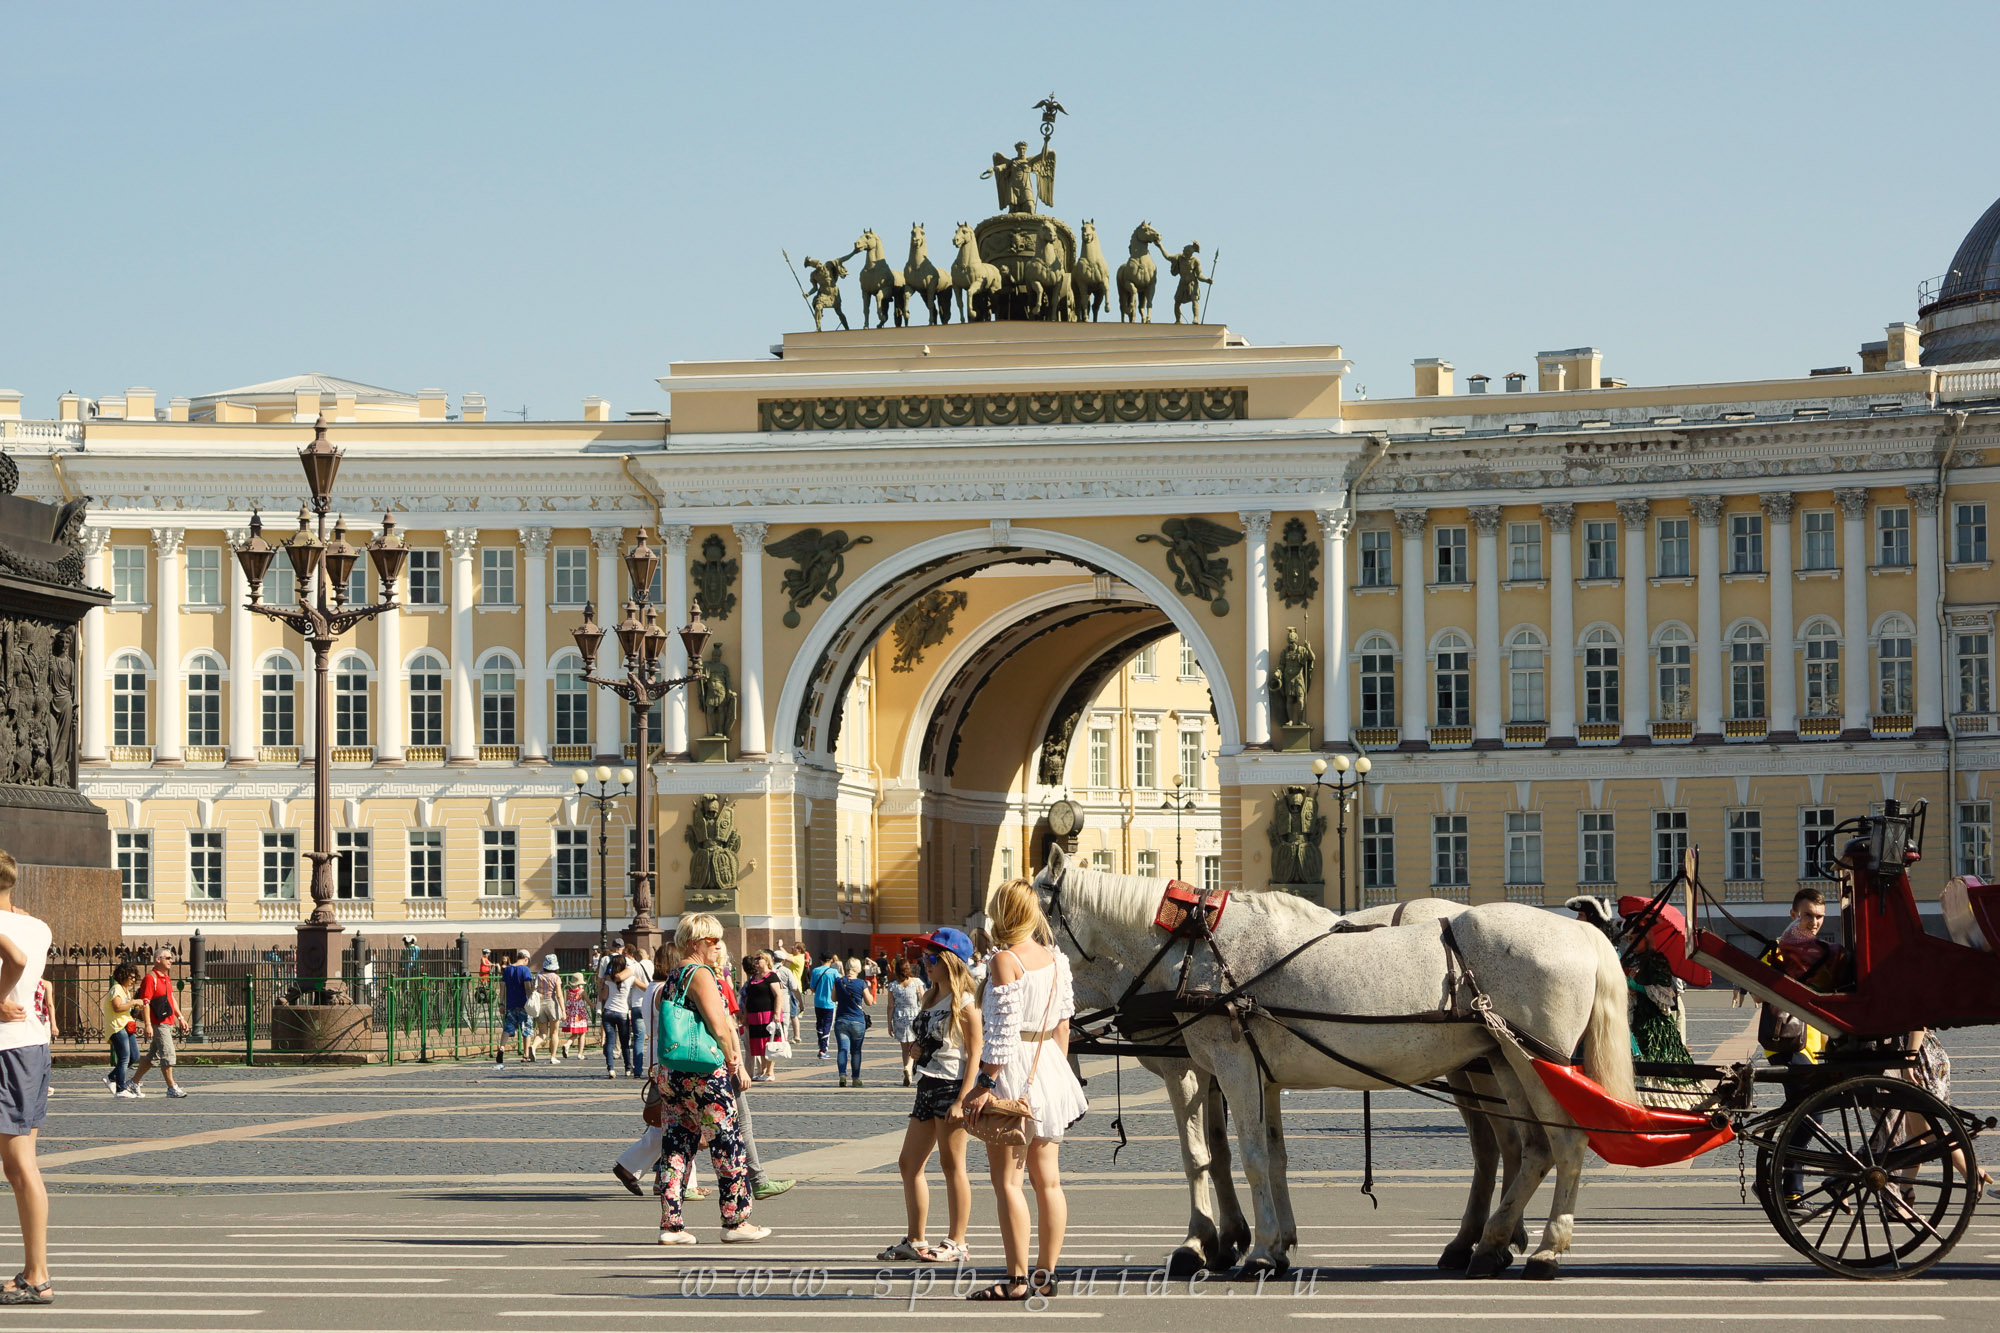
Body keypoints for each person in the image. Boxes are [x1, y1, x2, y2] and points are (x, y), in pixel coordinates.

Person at [959, 879, 1087, 1302]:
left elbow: (1001, 1034)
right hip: (1049, 1060)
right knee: (1048, 1182)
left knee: (1008, 1183)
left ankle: (1016, 1280)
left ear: (1002, 913)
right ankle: (1045, 1275)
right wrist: (1056, 1075)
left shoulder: (1004, 960)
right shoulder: (1056, 958)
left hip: (1014, 1071)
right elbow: (1064, 1023)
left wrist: (983, 1085)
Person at [650, 913, 770, 1245]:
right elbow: (720, 1024)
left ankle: (671, 1226)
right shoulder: (699, 973)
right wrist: (735, 1060)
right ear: (694, 943)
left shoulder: (673, 976)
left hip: (674, 1073)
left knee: (675, 1146)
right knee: (727, 1143)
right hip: (704, 1075)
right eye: (712, 940)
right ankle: (736, 1221)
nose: (719, 946)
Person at [877, 928, 982, 1265]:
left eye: (932, 958)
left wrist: (962, 1100)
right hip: (927, 1084)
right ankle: (915, 1239)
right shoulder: (930, 996)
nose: (926, 963)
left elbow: (975, 1053)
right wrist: (918, 1051)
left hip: (952, 1087)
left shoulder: (966, 1001)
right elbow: (932, 1044)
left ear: (951, 961)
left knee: (952, 1166)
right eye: (924, 957)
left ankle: (958, 1241)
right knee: (909, 1163)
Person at [0, 849, 56, 1306]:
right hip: (33, 1046)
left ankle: (37, 1276)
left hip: (7, 1049)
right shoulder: (39, 926)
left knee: (20, 1168)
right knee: (23, 1166)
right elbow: (36, 977)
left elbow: (15, 963)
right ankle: (33, 1272)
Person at [127, 950, 188, 1098]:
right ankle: (171, 1087)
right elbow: (145, 1003)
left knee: (152, 1057)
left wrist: (180, 1017)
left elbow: (171, 998)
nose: (171, 961)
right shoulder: (150, 978)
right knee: (168, 1053)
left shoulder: (166, 978)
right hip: (158, 1023)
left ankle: (133, 1083)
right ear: (157, 959)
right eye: (167, 958)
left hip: (167, 1021)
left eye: (171, 958)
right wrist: (148, 1024)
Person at [740, 953, 785, 1083]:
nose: (756, 961)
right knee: (758, 1044)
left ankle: (770, 1072)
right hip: (754, 1016)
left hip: (768, 1014)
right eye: (755, 958)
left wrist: (776, 1013)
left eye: (759, 958)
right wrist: (745, 1015)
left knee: (769, 1043)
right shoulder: (753, 978)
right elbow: (747, 998)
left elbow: (778, 995)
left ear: (767, 961)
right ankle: (762, 1071)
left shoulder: (772, 976)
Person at [102, 963, 143, 1098]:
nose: (133, 980)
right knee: (124, 1057)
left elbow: (127, 1010)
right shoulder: (116, 988)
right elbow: (117, 1007)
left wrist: (137, 1008)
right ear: (123, 975)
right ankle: (121, 1089)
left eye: (134, 977)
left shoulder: (125, 990)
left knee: (135, 1056)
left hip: (126, 1025)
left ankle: (112, 1077)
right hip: (117, 1026)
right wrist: (133, 1002)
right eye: (130, 977)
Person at [598, 942, 638, 1081]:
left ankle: (611, 1069)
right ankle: (628, 1068)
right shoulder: (630, 979)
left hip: (609, 1011)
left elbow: (604, 996)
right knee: (624, 1042)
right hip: (622, 1013)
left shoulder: (609, 980)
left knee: (609, 1041)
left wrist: (604, 988)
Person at [886, 955, 925, 1086]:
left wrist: (889, 1024)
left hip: (899, 1017)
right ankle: (909, 1067)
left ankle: (906, 1069)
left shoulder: (892, 986)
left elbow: (890, 1006)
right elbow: (924, 999)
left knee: (904, 1048)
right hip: (915, 1016)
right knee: (915, 1045)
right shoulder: (916, 982)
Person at [494, 949, 534, 1070]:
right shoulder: (525, 970)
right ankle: (526, 1054)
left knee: (508, 1027)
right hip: (524, 1003)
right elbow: (527, 988)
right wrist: (533, 992)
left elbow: (502, 987)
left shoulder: (508, 969)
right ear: (526, 959)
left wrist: (501, 1003)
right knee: (526, 1028)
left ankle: (501, 1047)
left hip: (510, 1003)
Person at [833, 957, 870, 1088]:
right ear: (858, 968)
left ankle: (842, 1076)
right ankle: (855, 1079)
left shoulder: (838, 981)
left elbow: (833, 998)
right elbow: (869, 1002)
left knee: (842, 1049)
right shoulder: (862, 983)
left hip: (841, 1020)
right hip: (858, 1021)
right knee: (856, 1051)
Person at [532, 955, 564, 1062]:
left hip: (540, 1004)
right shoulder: (555, 977)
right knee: (554, 1032)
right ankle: (553, 1056)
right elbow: (559, 995)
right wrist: (563, 1011)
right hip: (552, 1003)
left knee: (542, 1033)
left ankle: (533, 1046)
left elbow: (533, 989)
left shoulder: (538, 975)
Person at [809, 953, 840, 1060]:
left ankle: (820, 1044)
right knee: (827, 1025)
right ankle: (823, 1049)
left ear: (821, 960)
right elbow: (838, 987)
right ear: (831, 960)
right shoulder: (834, 972)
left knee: (820, 1024)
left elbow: (812, 988)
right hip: (830, 1003)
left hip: (818, 1002)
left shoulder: (815, 971)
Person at [561, 973, 591, 1058]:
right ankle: (580, 1053)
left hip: (571, 1015)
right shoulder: (582, 991)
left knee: (574, 1034)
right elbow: (588, 1002)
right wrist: (595, 1005)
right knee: (582, 1034)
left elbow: (567, 1002)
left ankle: (567, 1044)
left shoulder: (568, 991)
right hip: (580, 1016)